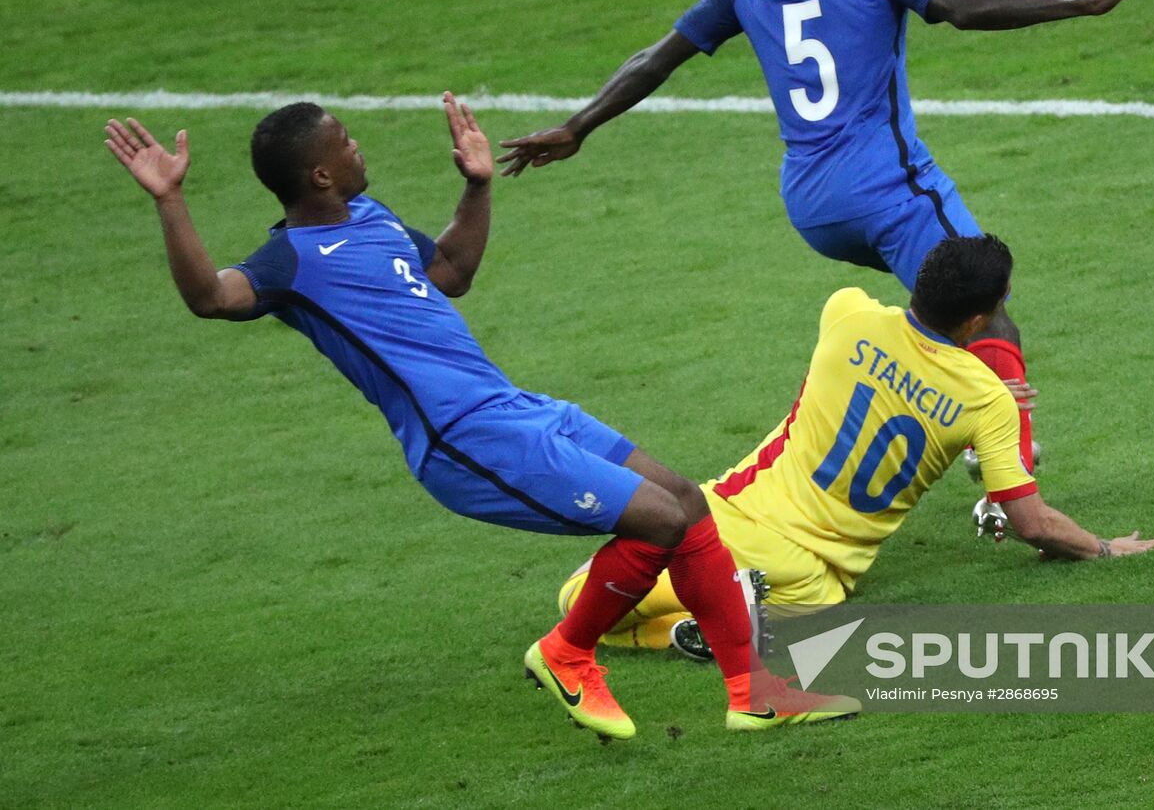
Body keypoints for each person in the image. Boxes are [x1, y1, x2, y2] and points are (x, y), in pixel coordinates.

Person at [101, 95, 856, 738]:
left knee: (686, 501)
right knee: (656, 521)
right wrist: (170, 200)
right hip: (465, 442)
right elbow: (211, 297)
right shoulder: (289, 263)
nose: (361, 149)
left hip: (513, 406)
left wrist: (478, 185)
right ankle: (567, 652)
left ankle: (754, 695)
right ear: (319, 174)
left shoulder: (370, 214)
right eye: (347, 145)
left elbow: (452, 273)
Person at [498, 0, 1154, 482]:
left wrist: (578, 124)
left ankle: (925, 420)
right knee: (987, 301)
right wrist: (1082, 2)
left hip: (811, 206)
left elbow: (656, 58)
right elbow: (958, 7)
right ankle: (1007, 477)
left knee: (938, 306)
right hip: (886, 188)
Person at [555, 235, 1154, 659]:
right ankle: (726, 625)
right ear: (975, 323)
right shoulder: (986, 400)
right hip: (811, 581)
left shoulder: (848, 312)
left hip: (721, 519)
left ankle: (707, 623)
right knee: (729, 613)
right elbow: (1030, 523)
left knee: (579, 603)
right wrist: (1104, 548)